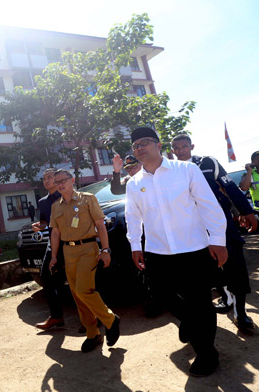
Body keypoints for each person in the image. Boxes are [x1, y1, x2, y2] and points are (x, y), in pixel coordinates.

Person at [125, 127, 227, 377]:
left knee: (201, 302)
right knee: (161, 296)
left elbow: (208, 205)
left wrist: (218, 239)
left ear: (159, 145)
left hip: (193, 248)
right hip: (158, 252)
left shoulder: (186, 171)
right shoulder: (134, 183)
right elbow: (132, 217)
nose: (139, 148)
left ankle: (207, 354)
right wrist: (135, 245)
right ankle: (190, 323)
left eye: (144, 142)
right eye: (135, 145)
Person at [171, 134, 256, 332]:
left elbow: (230, 186)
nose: (181, 151)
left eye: (184, 146)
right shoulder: (170, 171)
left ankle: (240, 312)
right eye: (177, 148)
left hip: (221, 222)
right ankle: (226, 298)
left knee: (235, 264)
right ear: (172, 150)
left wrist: (247, 211)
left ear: (191, 146)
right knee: (210, 269)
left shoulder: (208, 163)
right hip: (193, 228)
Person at [49, 169, 120, 353]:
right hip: (68, 251)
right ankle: (92, 333)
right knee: (77, 295)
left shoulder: (87, 199)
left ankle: (110, 319)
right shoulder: (56, 206)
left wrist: (105, 250)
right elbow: (55, 233)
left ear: (72, 180)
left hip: (88, 249)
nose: (60, 184)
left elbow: (100, 225)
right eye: (57, 182)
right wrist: (54, 257)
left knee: (84, 290)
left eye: (63, 180)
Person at [32, 168, 66, 330]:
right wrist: (39, 226)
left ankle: (91, 319)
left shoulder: (64, 196)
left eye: (50, 177)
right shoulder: (43, 202)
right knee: (46, 276)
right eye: (44, 178)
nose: (46, 181)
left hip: (69, 242)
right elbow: (45, 222)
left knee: (75, 282)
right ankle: (56, 317)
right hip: (52, 244)